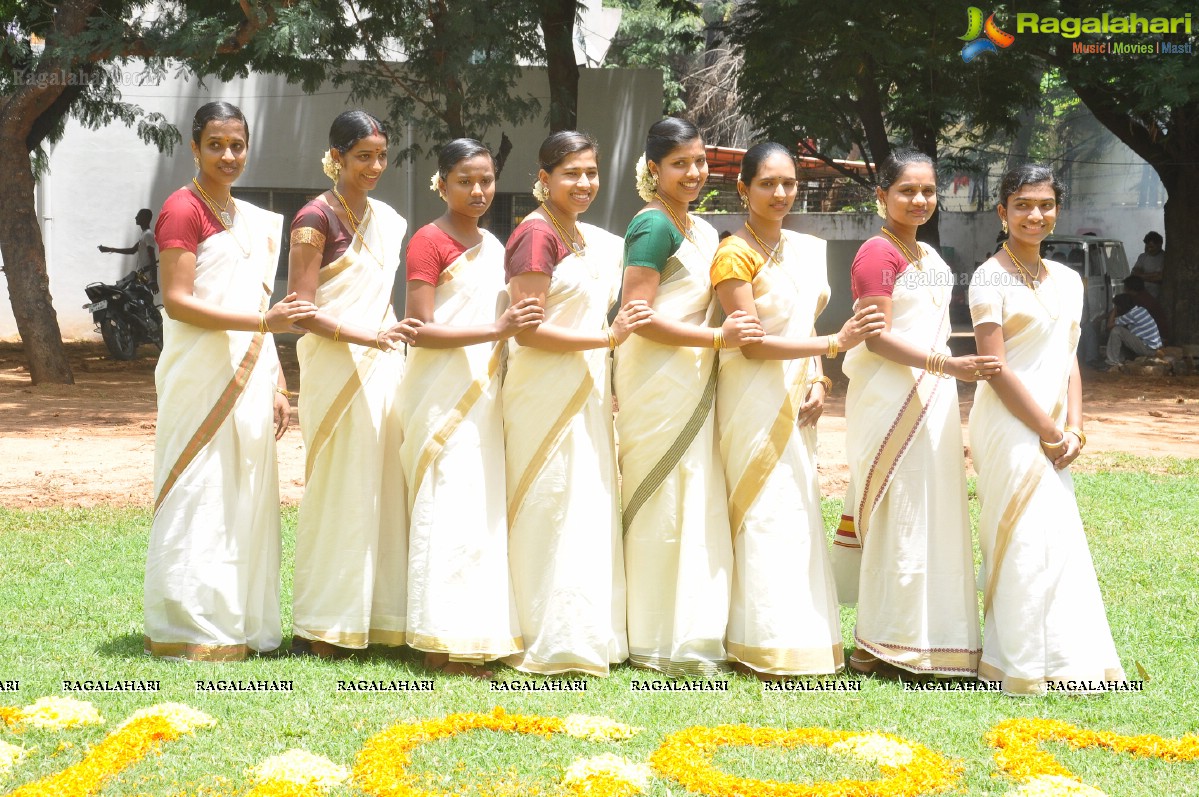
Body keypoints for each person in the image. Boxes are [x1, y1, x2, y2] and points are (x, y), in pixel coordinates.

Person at [145, 101, 317, 661]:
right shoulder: (181, 209)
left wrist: (276, 382)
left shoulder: (248, 218)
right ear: (194, 148)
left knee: (243, 493)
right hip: (199, 376)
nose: (227, 155)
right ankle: (187, 626)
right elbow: (178, 301)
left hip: (249, 375)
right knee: (198, 491)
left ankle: (239, 623)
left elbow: (257, 305)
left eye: (237, 145)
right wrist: (263, 323)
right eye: (215, 144)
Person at [710, 142, 885, 680]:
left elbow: (802, 331)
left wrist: (818, 377)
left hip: (797, 401)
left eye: (788, 184)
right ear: (744, 188)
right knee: (763, 514)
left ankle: (801, 638)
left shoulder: (806, 249)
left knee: (797, 512)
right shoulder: (734, 254)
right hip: (750, 399)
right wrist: (832, 346)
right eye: (767, 183)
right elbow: (752, 344)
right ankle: (757, 643)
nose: (780, 194)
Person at [837, 149, 999, 680]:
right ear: (881, 195)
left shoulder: (927, 254)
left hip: (935, 402)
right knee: (897, 515)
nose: (920, 200)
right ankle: (876, 644)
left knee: (933, 512)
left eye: (928, 191)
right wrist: (946, 363)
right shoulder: (875, 254)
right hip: (892, 402)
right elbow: (877, 338)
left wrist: (945, 369)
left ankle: (933, 641)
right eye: (907, 190)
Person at [501, 130, 653, 676]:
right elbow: (529, 332)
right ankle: (543, 635)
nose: (584, 183)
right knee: (548, 505)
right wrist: (608, 340)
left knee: (583, 505)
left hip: (585, 388)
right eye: (572, 173)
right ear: (544, 179)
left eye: (591, 172)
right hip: (542, 391)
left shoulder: (585, 238)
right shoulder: (536, 236)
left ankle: (589, 634)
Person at [969, 164, 1125, 695]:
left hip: (1057, 430)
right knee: (1021, 540)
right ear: (1003, 212)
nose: (1035, 215)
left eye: (1044, 205)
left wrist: (1075, 428)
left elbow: (1069, 360)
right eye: (1022, 205)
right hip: (1010, 427)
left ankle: (1065, 659)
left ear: (1056, 209)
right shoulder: (989, 277)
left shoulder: (1068, 279)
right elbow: (995, 368)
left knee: (1055, 539)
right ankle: (1016, 664)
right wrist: (1046, 430)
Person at [617, 118, 763, 677]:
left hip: (694, 375)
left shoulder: (701, 229)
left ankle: (693, 627)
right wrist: (717, 338)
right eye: (680, 164)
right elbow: (638, 317)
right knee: (662, 497)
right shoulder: (654, 226)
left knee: (694, 494)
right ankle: (653, 632)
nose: (694, 173)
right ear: (654, 169)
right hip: (657, 376)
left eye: (700, 162)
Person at [399, 139, 543, 675]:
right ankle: (438, 641)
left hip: (486, 394)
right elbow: (421, 329)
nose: (478, 190)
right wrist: (496, 330)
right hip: (439, 394)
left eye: (486, 180)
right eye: (465, 180)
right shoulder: (427, 242)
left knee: (478, 510)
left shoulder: (497, 245)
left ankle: (475, 630)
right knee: (447, 507)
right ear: (441, 183)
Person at [287, 110, 420, 658]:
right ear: (336, 156)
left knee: (383, 486)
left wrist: (388, 335)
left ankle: (381, 619)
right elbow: (299, 310)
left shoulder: (385, 218)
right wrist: (362, 335)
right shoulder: (315, 218)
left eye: (381, 156)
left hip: (382, 364)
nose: (374, 166)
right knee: (341, 488)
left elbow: (380, 297)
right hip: (336, 367)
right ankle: (325, 623)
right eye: (362, 155)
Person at [99, 208, 158, 288]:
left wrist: (154, 280)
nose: (136, 217)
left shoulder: (148, 235)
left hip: (145, 277)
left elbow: (152, 258)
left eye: (138, 215)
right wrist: (110, 249)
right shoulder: (144, 235)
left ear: (144, 218)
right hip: (140, 275)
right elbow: (132, 250)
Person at [1105, 292, 1162, 368]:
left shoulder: (1131, 315)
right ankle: (1120, 358)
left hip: (1148, 349)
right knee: (1123, 330)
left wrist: (1114, 310)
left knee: (1116, 330)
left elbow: (1109, 325)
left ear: (1120, 306)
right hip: (1153, 348)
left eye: (1117, 306)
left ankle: (1112, 362)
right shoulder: (1141, 309)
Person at [1120, 274, 1170, 343]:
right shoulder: (1140, 297)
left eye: (1125, 287)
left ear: (1129, 288)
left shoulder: (1142, 301)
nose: (1123, 290)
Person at [1130, 231, 1164, 298]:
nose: (1149, 249)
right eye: (1147, 247)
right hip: (1142, 296)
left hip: (1158, 297)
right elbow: (1134, 274)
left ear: (1160, 244)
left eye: (1152, 247)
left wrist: (1141, 276)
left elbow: (1160, 277)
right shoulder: (1142, 257)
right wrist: (1153, 275)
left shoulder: (1165, 258)